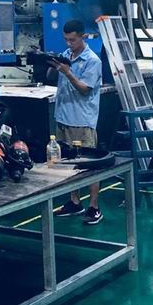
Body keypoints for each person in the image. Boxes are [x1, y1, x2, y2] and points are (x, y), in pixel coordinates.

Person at [49, 20, 104, 225]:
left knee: (88, 165)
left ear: (83, 36)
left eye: (72, 40)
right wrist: (52, 65)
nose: (69, 44)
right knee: (68, 163)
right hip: (63, 117)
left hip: (82, 121)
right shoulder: (66, 55)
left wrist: (67, 72)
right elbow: (52, 78)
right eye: (66, 40)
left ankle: (94, 206)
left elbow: (84, 89)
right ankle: (74, 201)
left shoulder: (92, 61)